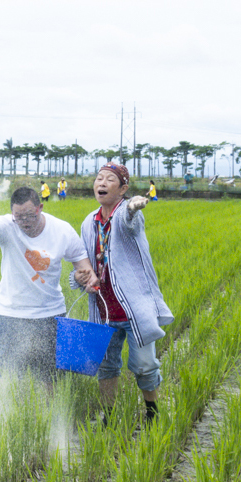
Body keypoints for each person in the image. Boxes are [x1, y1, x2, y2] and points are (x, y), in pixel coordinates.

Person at [0, 186, 98, 384]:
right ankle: (9, 413)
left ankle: (47, 413)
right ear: (12, 214)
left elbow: (82, 264)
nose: (24, 222)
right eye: (19, 217)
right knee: (6, 376)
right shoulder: (8, 225)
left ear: (40, 207)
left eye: (29, 215)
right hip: (12, 313)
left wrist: (87, 277)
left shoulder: (61, 230)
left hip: (50, 313)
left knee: (49, 377)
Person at [71, 163, 173, 424]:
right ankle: (109, 415)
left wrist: (132, 207)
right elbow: (83, 263)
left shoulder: (127, 214)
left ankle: (152, 413)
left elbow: (129, 220)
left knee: (145, 365)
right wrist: (82, 277)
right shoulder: (88, 222)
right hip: (103, 309)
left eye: (110, 180)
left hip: (133, 309)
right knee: (106, 366)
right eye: (99, 178)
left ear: (123, 188)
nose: (101, 183)